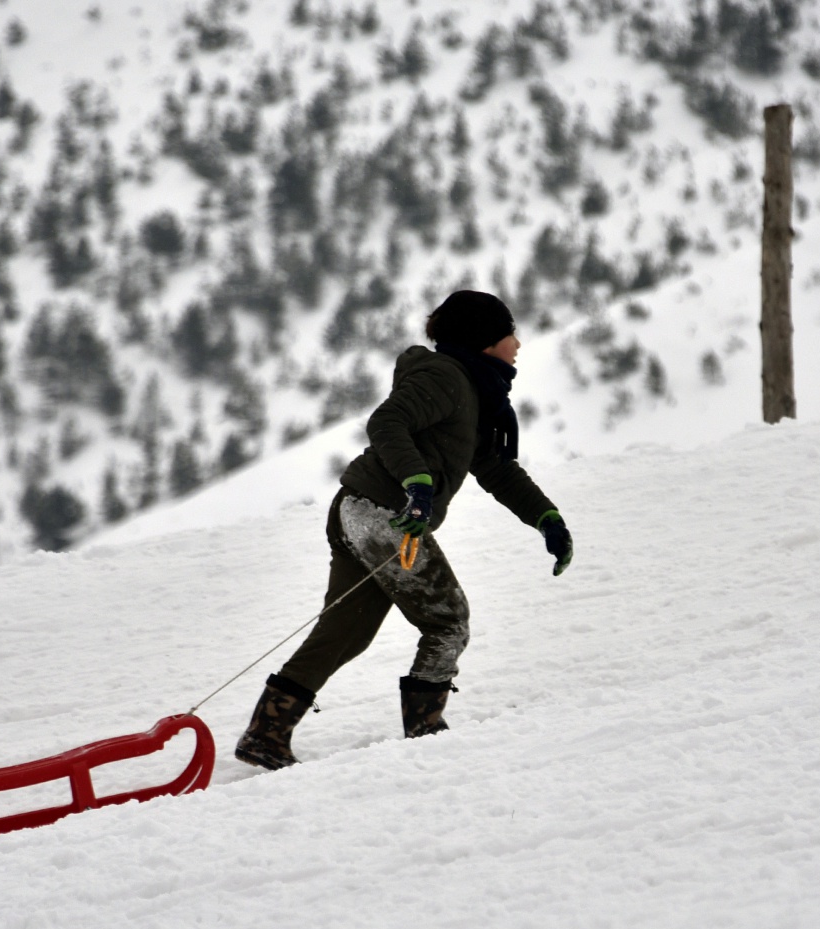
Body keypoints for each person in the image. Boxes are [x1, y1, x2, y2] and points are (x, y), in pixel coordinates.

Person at [234, 289, 573, 770]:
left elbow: (496, 469)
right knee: (447, 620)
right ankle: (427, 733)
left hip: (359, 509)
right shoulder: (447, 376)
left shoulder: (474, 392)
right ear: (483, 341)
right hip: (384, 513)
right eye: (508, 332)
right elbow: (388, 421)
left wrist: (546, 518)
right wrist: (417, 483)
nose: (517, 342)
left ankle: (265, 734)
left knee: (346, 631)